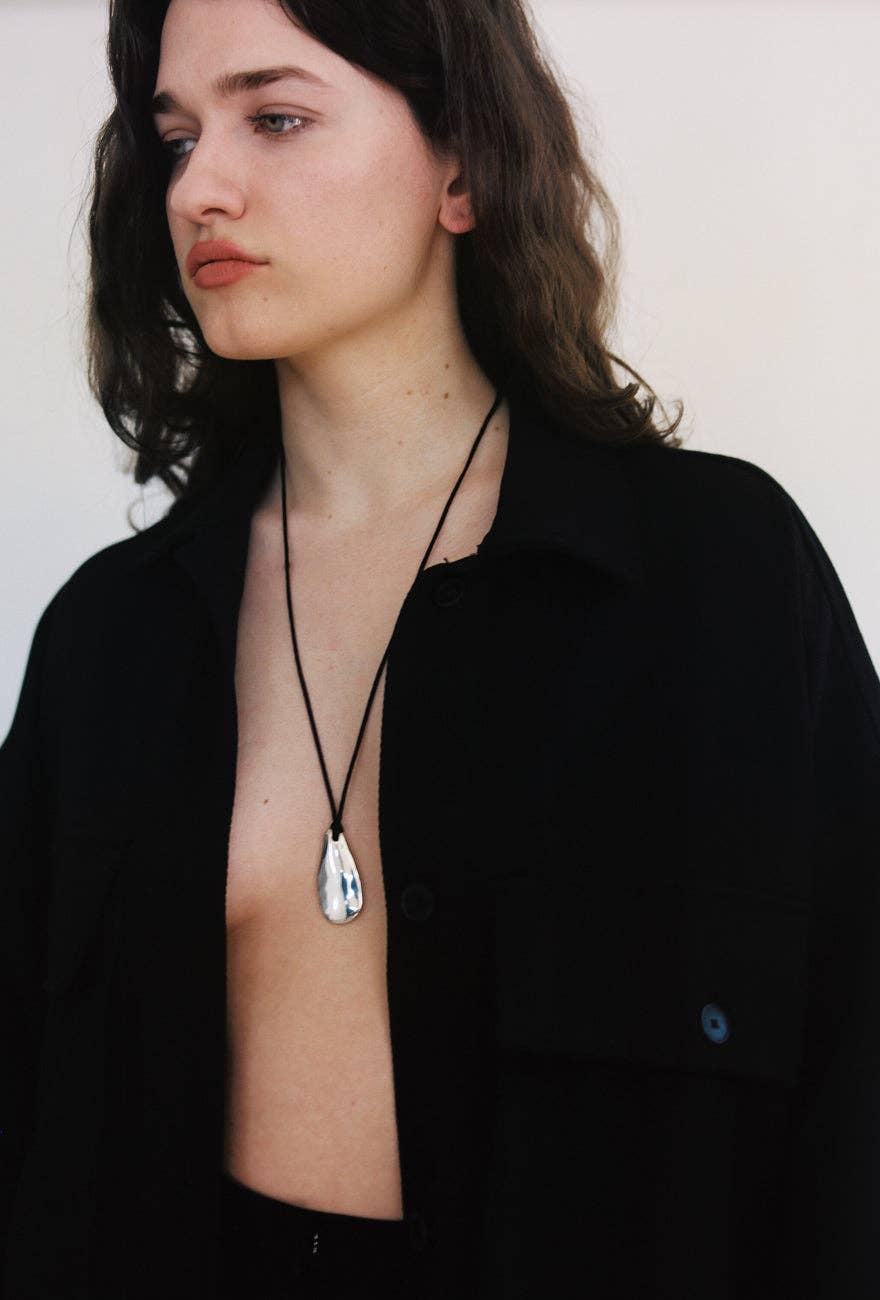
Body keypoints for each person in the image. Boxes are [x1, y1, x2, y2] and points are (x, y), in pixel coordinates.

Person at [2, 0, 879, 1297]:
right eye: (176, 137)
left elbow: (851, 1112)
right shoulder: (107, 647)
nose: (202, 186)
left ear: (460, 165)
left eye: (276, 116)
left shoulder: (722, 582)